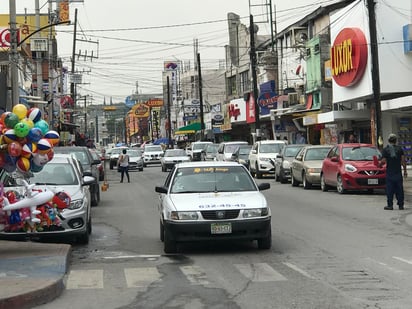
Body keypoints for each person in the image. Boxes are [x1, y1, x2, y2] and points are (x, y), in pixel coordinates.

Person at [380, 133, 407, 210]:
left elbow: (383, 160)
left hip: (390, 173)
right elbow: (403, 161)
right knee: (400, 189)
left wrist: (379, 164)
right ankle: (401, 205)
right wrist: (405, 171)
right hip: (398, 173)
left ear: (388, 140)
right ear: (396, 140)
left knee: (390, 189)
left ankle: (390, 205)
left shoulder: (386, 149)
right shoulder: (400, 149)